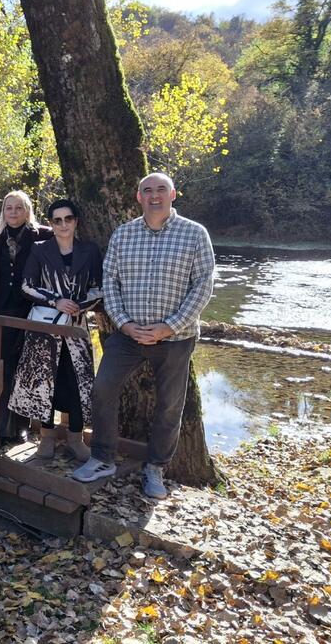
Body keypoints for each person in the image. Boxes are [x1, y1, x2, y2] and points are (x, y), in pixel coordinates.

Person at [72, 173, 215, 500]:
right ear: (138, 197)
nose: (154, 196)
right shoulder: (123, 235)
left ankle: (155, 468)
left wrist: (170, 326)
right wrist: (123, 323)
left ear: (173, 194)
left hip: (176, 338)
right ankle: (102, 458)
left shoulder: (194, 234)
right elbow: (110, 283)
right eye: (147, 190)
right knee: (103, 388)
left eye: (160, 190)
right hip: (127, 335)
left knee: (169, 406)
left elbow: (203, 286)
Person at [8, 199, 103, 460]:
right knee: (43, 382)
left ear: (76, 221)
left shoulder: (90, 250)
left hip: (75, 328)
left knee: (76, 383)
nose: (63, 224)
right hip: (44, 329)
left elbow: (99, 287)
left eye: (68, 219)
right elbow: (26, 286)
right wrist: (56, 301)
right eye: (57, 220)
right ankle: (46, 438)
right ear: (51, 223)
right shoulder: (40, 250)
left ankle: (75, 438)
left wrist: (79, 305)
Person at [0, 190, 53, 445]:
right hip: (0, 313)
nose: (13, 212)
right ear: (3, 211)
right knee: (2, 369)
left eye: (18, 207)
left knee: (27, 369)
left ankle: (21, 426)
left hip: (32, 312)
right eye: (9, 208)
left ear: (28, 210)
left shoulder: (43, 236)